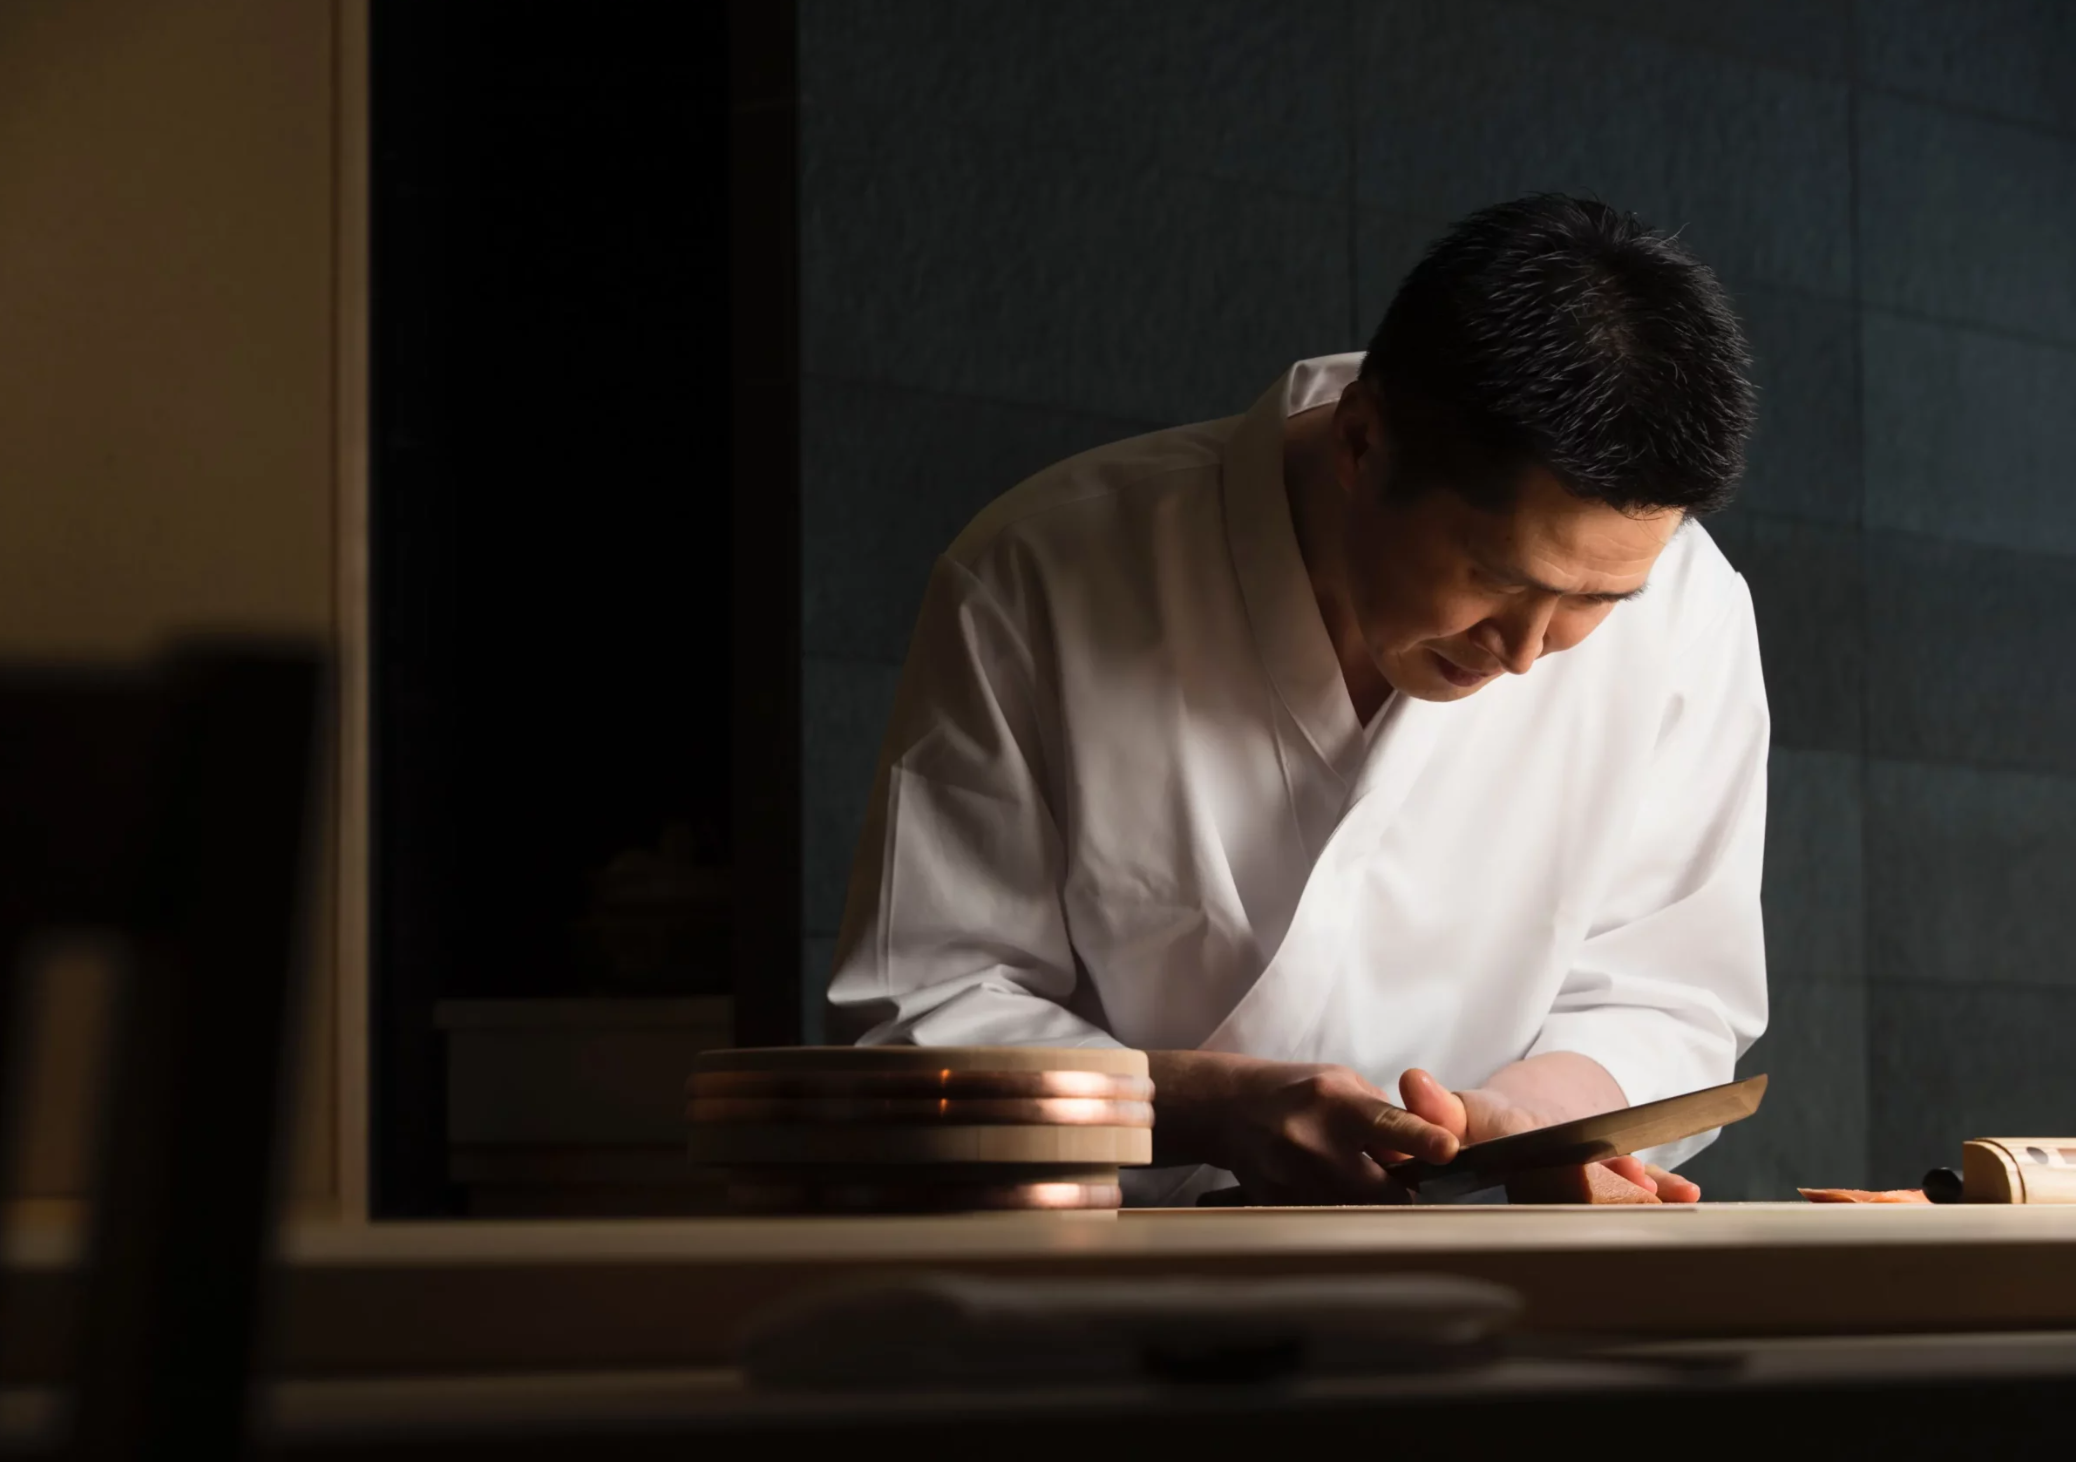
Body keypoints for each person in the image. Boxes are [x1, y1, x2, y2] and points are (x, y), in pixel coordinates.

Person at [827, 195, 1767, 1206]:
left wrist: (1532, 1121)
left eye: (1594, 601)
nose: (1531, 652)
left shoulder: (1690, 611)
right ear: (1362, 444)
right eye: (1497, 577)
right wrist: (1191, 1102)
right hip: (1096, 1265)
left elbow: (1669, 988)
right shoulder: (1040, 572)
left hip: (1478, 1259)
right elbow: (929, 1001)